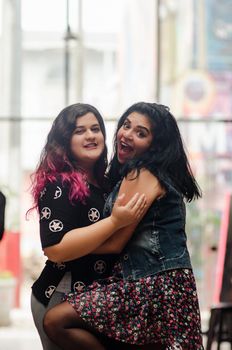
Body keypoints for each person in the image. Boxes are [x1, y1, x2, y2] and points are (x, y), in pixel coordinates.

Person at [43, 102, 204, 350]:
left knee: (56, 321)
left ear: (155, 145)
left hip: (152, 282)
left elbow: (117, 241)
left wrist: (66, 245)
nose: (127, 134)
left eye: (141, 133)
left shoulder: (141, 173)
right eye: (126, 125)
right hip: (166, 282)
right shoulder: (146, 173)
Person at [29, 103, 146, 350]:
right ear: (64, 140)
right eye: (79, 131)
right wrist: (114, 221)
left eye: (95, 129)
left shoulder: (106, 183)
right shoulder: (59, 183)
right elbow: (56, 248)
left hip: (95, 297)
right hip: (61, 294)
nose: (90, 135)